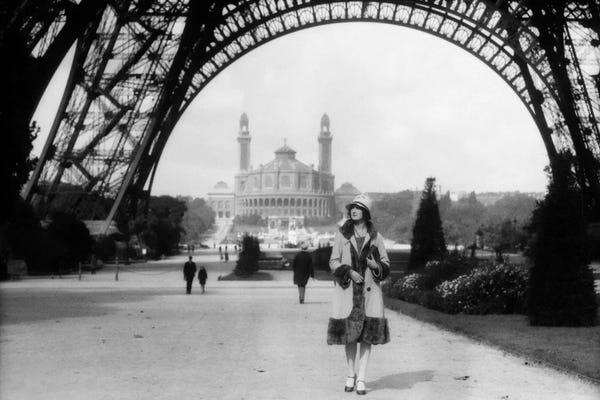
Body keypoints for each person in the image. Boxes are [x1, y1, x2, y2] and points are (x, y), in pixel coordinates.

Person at [326, 194, 390, 395]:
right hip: (348, 293)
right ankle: (350, 374)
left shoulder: (376, 237)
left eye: (358, 208)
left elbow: (386, 264)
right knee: (349, 337)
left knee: (367, 337)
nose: (353, 210)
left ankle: (362, 377)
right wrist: (349, 272)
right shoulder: (342, 235)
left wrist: (374, 265)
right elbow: (333, 261)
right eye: (352, 207)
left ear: (366, 212)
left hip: (370, 294)